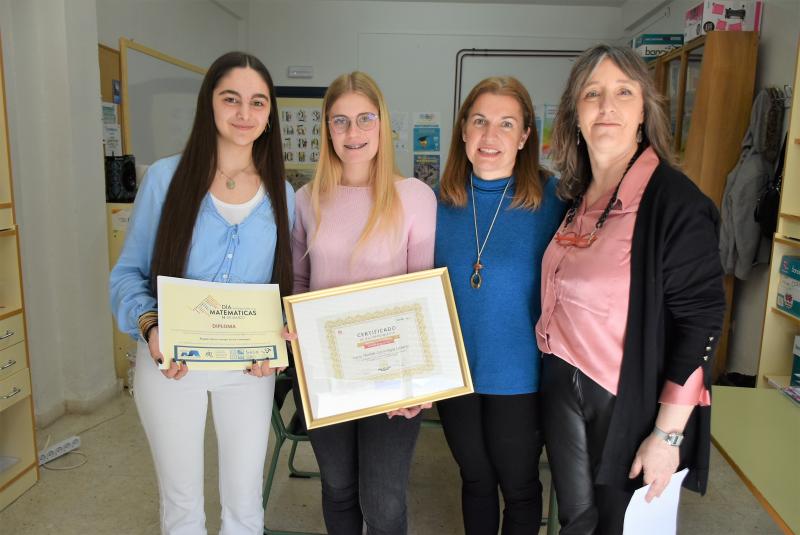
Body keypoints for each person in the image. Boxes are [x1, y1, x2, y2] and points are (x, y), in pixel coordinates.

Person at [535, 44, 726, 534]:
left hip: (628, 401)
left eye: (624, 92)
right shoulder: (575, 197)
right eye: (592, 93)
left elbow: (700, 323)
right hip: (563, 385)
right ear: (574, 114)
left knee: (620, 526)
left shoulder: (674, 202)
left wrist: (667, 435)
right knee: (577, 522)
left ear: (645, 109)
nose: (607, 106)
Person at [109, 52, 294, 535]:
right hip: (172, 367)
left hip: (248, 371)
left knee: (244, 506)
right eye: (230, 99)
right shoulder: (166, 181)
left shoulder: (283, 194)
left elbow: (282, 292)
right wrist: (150, 328)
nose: (244, 114)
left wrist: (277, 346)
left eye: (258, 102)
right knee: (183, 507)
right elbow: (127, 274)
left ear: (270, 112)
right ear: (208, 103)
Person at [290, 71, 436, 535]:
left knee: (385, 500)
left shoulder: (414, 197)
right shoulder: (306, 200)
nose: (353, 133)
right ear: (327, 129)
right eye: (340, 121)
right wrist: (290, 327)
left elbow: (423, 290)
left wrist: (423, 381)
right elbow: (298, 279)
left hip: (391, 373)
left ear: (382, 124)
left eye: (364, 119)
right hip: (322, 369)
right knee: (336, 487)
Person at [434, 76, 565, 534]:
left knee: (521, 487)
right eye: (480, 121)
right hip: (455, 378)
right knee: (475, 480)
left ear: (526, 135)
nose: (491, 136)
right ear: (464, 131)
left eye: (506, 124)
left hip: (522, 380)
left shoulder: (556, 201)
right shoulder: (435, 203)